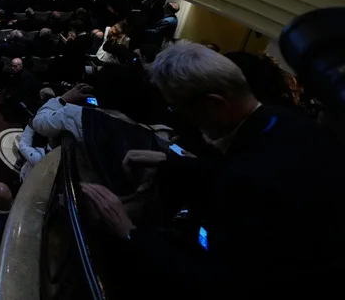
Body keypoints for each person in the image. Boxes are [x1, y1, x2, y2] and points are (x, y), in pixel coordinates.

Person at [79, 42, 345, 300]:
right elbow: (238, 169)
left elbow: (217, 286)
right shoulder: (281, 119)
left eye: (177, 107)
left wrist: (127, 231)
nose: (180, 117)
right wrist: (168, 162)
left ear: (216, 104)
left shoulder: (253, 182)